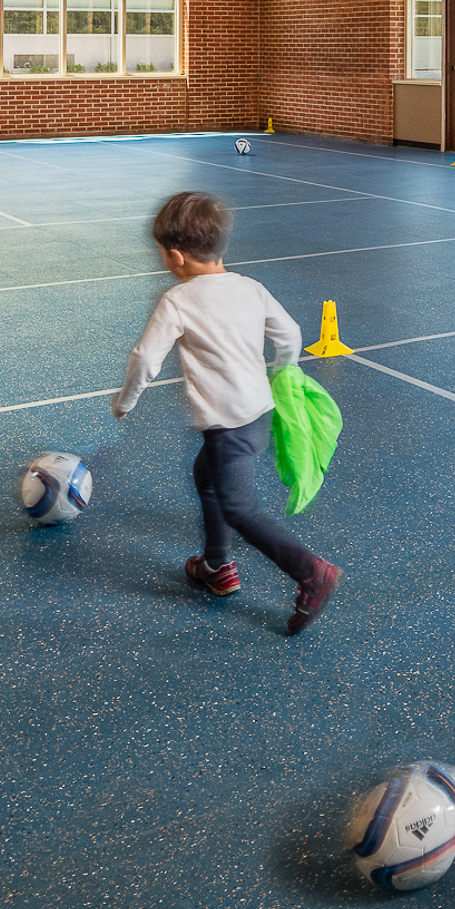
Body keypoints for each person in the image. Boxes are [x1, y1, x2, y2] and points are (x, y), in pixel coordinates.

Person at [111, 192, 342, 635]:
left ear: (175, 255)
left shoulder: (177, 300)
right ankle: (217, 565)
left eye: (161, 253)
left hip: (227, 428)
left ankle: (312, 572)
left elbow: (144, 359)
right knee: (207, 477)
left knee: (240, 509)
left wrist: (125, 403)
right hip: (258, 415)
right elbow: (291, 334)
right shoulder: (250, 288)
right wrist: (282, 372)